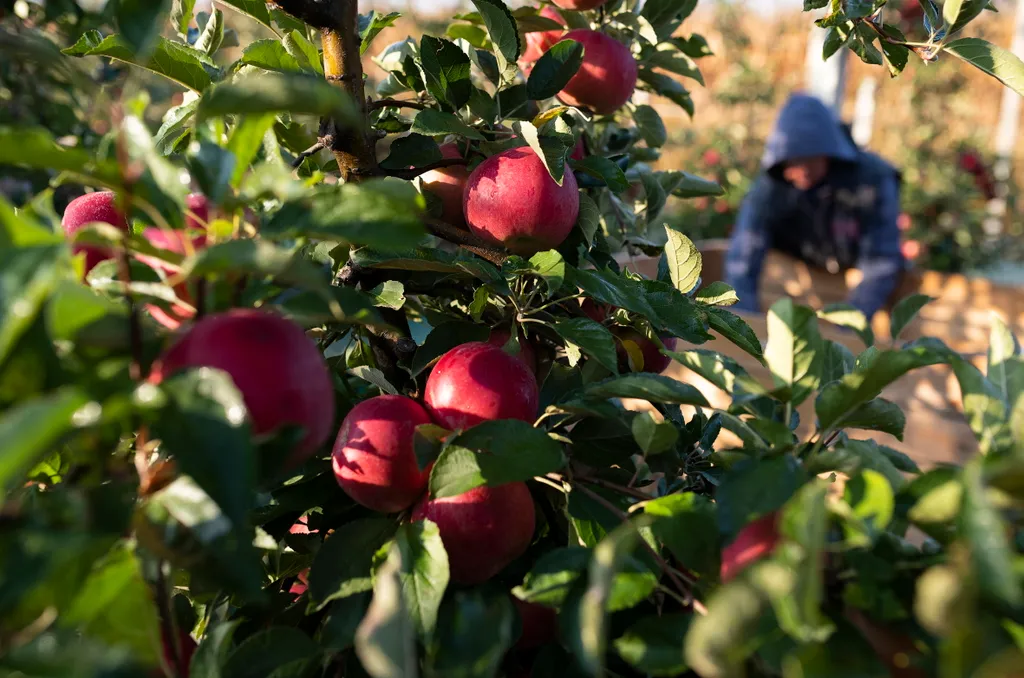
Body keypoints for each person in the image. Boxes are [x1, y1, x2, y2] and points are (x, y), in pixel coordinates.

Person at [725, 93, 905, 320]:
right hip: (794, 281)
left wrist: (849, 327)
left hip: (850, 285)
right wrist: (743, 323)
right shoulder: (773, 186)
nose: (800, 171)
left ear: (830, 153)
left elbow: (880, 260)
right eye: (793, 162)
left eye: (809, 160)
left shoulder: (872, 181)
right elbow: (745, 255)